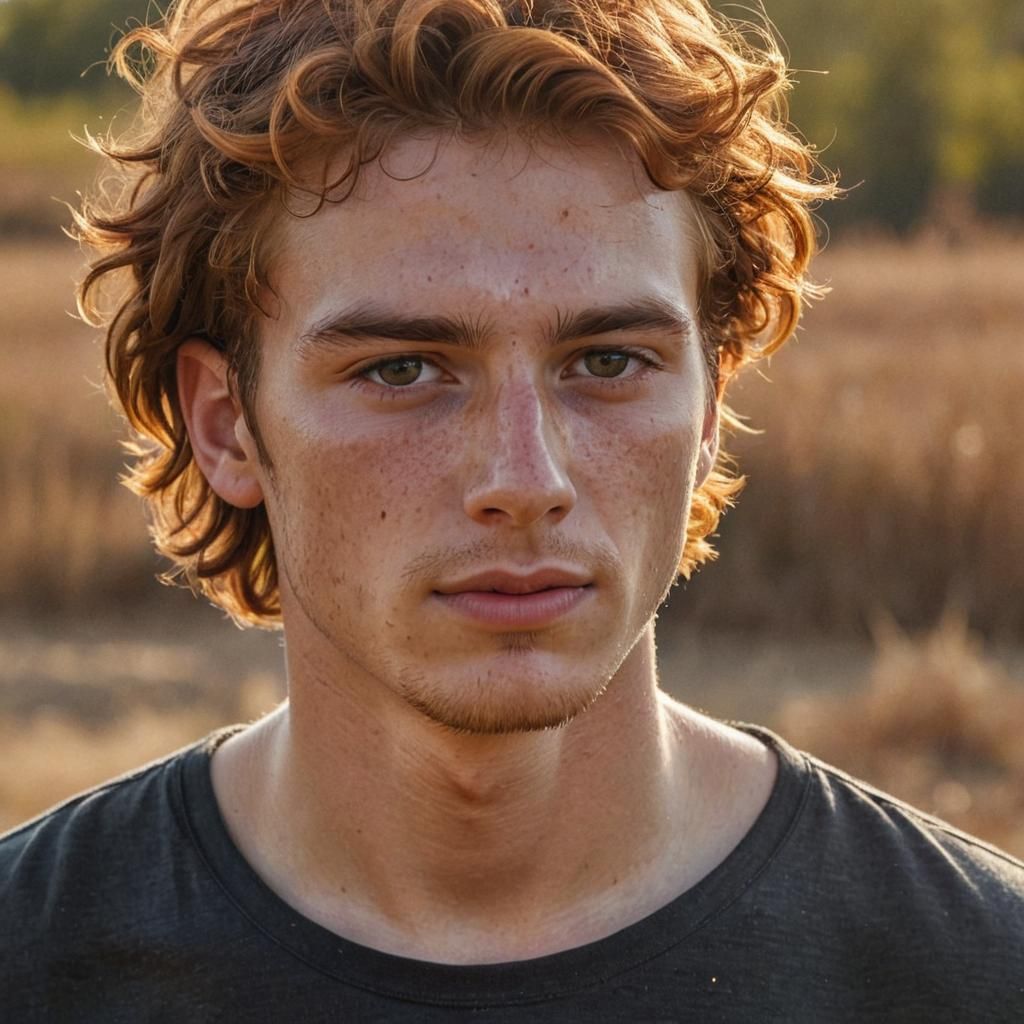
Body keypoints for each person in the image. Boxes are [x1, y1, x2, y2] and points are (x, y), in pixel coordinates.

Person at [2, 0, 1022, 1019]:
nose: (526, 478)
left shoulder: (977, 972)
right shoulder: (35, 961)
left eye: (609, 361)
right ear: (227, 425)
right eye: (402, 369)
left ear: (710, 404)